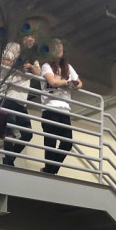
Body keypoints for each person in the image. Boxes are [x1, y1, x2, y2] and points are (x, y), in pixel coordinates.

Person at [40, 39, 82, 175]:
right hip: (50, 108)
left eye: (60, 46)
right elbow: (52, 81)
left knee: (67, 143)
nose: (59, 48)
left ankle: (50, 171)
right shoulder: (46, 66)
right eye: (55, 46)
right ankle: (49, 172)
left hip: (64, 110)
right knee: (51, 143)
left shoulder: (68, 67)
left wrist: (73, 84)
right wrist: (66, 82)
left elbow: (80, 83)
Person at [0, 37, 40, 167]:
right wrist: (20, 66)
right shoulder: (13, 46)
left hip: (22, 101)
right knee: (9, 131)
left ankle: (9, 159)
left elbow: (38, 73)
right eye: (29, 36)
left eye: (33, 38)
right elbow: (3, 61)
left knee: (28, 134)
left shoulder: (32, 57)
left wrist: (30, 66)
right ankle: (9, 162)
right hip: (8, 96)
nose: (31, 40)